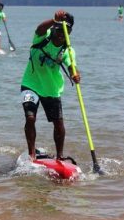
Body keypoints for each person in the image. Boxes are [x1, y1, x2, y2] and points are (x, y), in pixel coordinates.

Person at [21, 10, 81, 161]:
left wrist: (75, 74)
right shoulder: (42, 37)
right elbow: (39, 28)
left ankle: (60, 156)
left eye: (66, 31)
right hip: (31, 84)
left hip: (51, 88)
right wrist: (54, 20)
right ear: (55, 28)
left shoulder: (67, 50)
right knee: (30, 118)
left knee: (58, 123)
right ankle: (31, 154)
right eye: (59, 29)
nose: (61, 34)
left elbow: (71, 65)